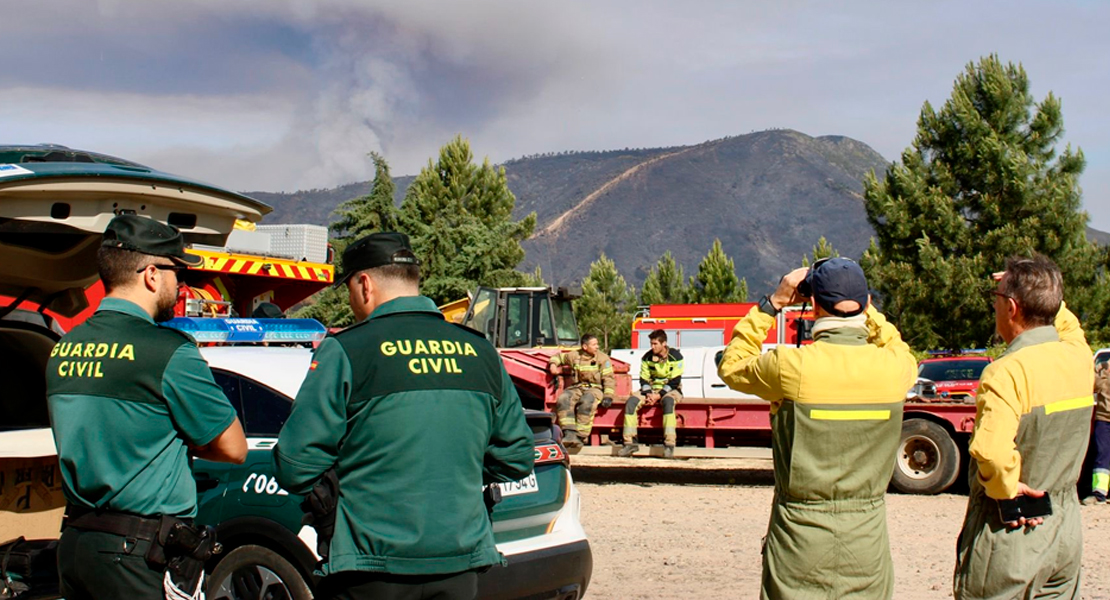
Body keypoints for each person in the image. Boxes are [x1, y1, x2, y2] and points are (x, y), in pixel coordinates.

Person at [272, 232, 535, 600]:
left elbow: (295, 464)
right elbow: (517, 459)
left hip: (370, 564)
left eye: (348, 289)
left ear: (364, 284)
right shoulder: (480, 351)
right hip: (459, 560)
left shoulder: (347, 349)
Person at [46, 215, 247, 600]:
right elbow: (234, 448)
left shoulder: (63, 348)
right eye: (176, 271)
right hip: (137, 555)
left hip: (76, 545)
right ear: (152, 275)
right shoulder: (168, 351)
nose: (181, 283)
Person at [717, 257, 916, 599]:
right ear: (867, 304)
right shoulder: (897, 367)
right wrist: (868, 313)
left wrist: (774, 303)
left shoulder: (790, 366)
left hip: (799, 536)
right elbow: (892, 340)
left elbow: (731, 365)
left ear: (811, 305)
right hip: (867, 537)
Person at [954, 255, 1095, 599]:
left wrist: (1006, 490)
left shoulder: (1007, 372)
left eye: (996, 297)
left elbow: (991, 451)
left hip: (1013, 528)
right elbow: (1070, 328)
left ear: (1011, 307)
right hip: (1065, 528)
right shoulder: (1079, 358)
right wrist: (1046, 296)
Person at [619, 329, 684, 459]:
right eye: (651, 343)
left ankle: (669, 444)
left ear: (664, 343)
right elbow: (643, 378)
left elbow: (675, 381)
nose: (652, 347)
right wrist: (649, 394)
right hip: (651, 389)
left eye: (655, 344)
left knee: (668, 402)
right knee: (631, 403)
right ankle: (630, 442)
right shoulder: (647, 357)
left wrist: (658, 395)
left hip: (671, 389)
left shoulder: (676, 357)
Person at [548, 333, 616, 449]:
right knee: (564, 399)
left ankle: (580, 436)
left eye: (597, 344)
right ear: (585, 347)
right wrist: (553, 365)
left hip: (595, 389)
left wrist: (608, 396)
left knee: (586, 402)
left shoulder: (603, 358)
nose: (597, 347)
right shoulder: (575, 356)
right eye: (594, 344)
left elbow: (609, 379)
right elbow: (558, 357)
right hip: (577, 387)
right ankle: (569, 433)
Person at [1085, 362, 1110, 504]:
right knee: (1102, 453)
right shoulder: (1101, 367)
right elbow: (1091, 386)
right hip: (1103, 417)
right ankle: (1099, 493)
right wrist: (1104, 375)